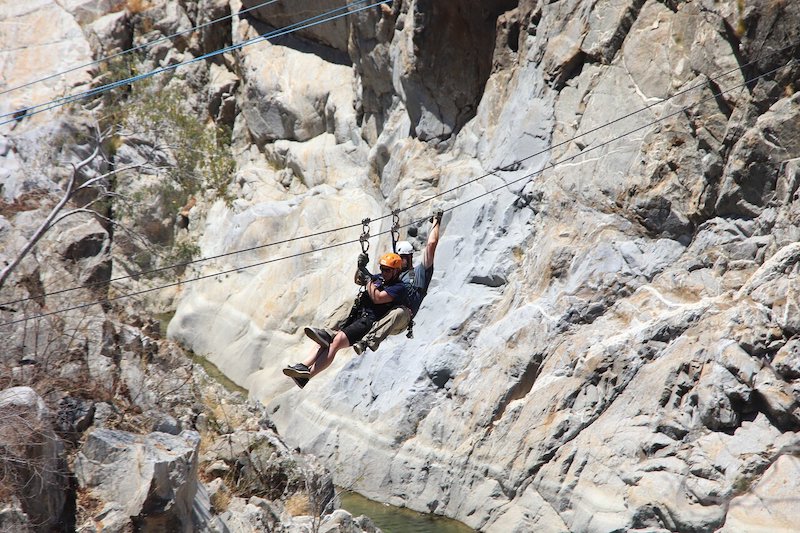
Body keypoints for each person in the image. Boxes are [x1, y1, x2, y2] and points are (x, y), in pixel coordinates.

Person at [283, 252, 408, 388]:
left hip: (368, 322)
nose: (384, 272)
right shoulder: (378, 279)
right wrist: (361, 268)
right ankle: (303, 367)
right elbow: (358, 280)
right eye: (382, 269)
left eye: (387, 270)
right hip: (357, 316)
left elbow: (377, 298)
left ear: (396, 271)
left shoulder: (399, 287)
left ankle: (308, 375)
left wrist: (368, 280)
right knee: (324, 341)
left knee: (335, 343)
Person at [352, 210, 443, 354]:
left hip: (400, 319)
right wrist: (361, 268)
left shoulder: (420, 273)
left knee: (399, 312)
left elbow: (431, 244)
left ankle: (368, 342)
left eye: (403, 258)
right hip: (383, 317)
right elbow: (361, 280)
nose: (399, 262)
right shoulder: (391, 275)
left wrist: (436, 223)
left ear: (410, 258)